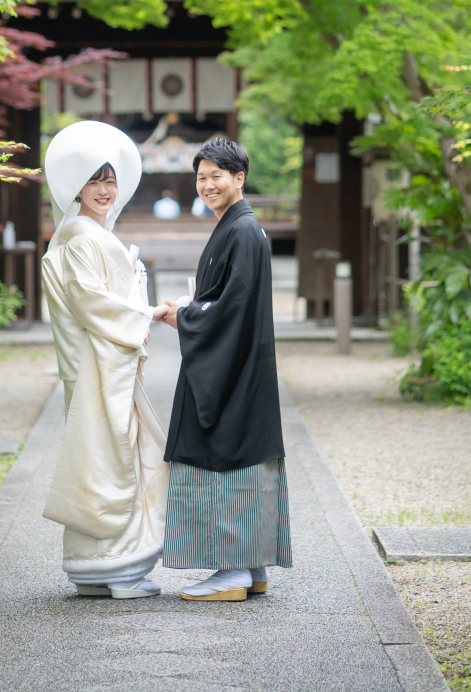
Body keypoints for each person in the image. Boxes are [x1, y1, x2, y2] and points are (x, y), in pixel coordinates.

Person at [158, 137, 292, 601]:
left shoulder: (241, 231)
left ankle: (232, 571)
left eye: (218, 175)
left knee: (226, 456)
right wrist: (194, 308)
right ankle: (251, 567)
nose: (208, 184)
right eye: (201, 176)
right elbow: (226, 299)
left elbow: (232, 306)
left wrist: (186, 317)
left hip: (233, 368)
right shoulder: (238, 228)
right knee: (243, 458)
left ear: (240, 178)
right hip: (240, 365)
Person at [41, 120, 169, 599]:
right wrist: (148, 312)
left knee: (98, 454)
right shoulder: (82, 234)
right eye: (94, 180)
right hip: (101, 360)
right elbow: (93, 300)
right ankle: (118, 569)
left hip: (96, 360)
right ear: (77, 184)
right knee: (115, 454)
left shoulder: (77, 232)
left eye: (110, 180)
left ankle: (95, 569)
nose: (104, 189)